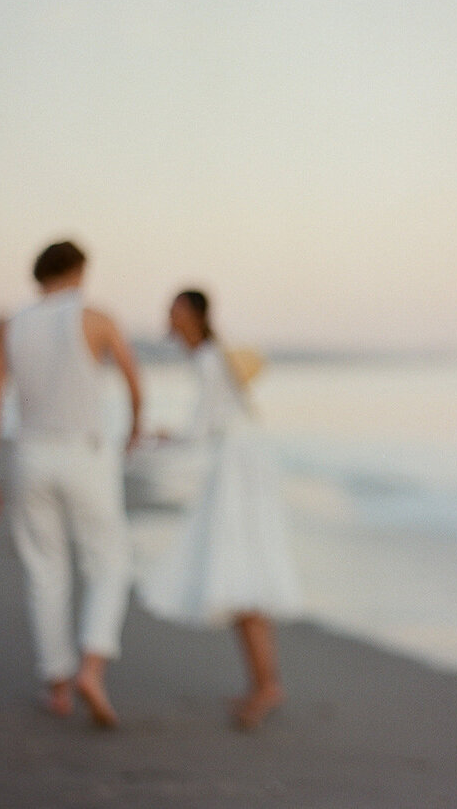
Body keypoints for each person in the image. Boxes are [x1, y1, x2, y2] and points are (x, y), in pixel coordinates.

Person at [0, 240, 141, 728]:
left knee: (44, 569)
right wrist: (134, 430)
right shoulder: (96, 318)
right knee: (109, 561)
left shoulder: (11, 326)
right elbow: (133, 380)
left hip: (30, 455)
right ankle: (92, 666)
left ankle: (58, 686)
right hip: (86, 453)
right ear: (78, 271)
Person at [139, 289, 302, 730]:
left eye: (173, 310)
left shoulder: (210, 360)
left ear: (192, 314)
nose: (168, 319)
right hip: (243, 463)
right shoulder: (210, 358)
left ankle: (267, 685)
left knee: (241, 574)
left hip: (238, 469)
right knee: (239, 573)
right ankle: (261, 682)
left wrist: (158, 439)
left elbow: (201, 428)